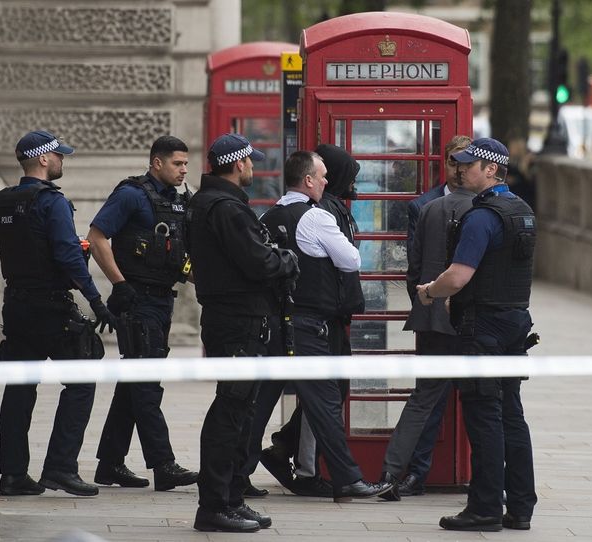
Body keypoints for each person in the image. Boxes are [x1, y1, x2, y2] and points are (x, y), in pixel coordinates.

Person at [245, 150, 383, 504]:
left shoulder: (269, 215)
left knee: (259, 404)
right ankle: (348, 479)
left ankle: (235, 473)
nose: (326, 182)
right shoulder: (316, 217)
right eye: (321, 176)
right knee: (325, 402)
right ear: (307, 180)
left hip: (275, 321)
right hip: (308, 325)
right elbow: (351, 259)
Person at [416, 137, 538, 532]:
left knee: (484, 416)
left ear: (491, 170)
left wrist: (430, 291)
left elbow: (459, 275)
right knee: (511, 414)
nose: (460, 170)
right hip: (515, 323)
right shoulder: (522, 211)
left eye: (468, 165)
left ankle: (484, 508)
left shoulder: (482, 216)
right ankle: (520, 506)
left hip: (482, 326)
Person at [0, 130, 116, 497]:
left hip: (16, 305)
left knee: (18, 390)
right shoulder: (52, 202)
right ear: (44, 159)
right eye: (59, 155)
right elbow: (66, 258)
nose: (63, 160)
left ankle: (13, 474)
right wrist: (96, 301)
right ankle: (60, 467)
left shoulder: (3, 201)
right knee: (82, 376)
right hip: (50, 305)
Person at [188, 133, 298, 533]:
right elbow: (258, 263)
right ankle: (215, 505)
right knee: (230, 413)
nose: (253, 167)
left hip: (229, 318)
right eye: (250, 161)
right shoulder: (228, 209)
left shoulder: (207, 203)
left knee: (237, 411)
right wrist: (286, 260)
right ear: (238, 164)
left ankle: (231, 499)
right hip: (239, 321)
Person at [86, 135, 198, 492]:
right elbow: (97, 235)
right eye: (177, 164)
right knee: (146, 384)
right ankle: (163, 464)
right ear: (156, 163)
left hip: (162, 299)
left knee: (134, 383)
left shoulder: (177, 200)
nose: (183, 170)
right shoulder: (132, 194)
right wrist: (119, 284)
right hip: (138, 302)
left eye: (185, 164)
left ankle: (110, 464)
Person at [370, 135, 474, 500]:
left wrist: (429, 297)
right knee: (486, 402)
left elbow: (414, 268)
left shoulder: (431, 209)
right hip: (473, 320)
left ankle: (390, 474)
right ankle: (492, 479)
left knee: (423, 399)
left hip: (433, 314)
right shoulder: (488, 209)